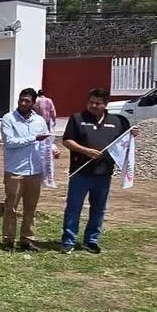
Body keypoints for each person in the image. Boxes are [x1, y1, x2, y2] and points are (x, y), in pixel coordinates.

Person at [60, 88, 131, 255]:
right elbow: (67, 141)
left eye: (97, 103)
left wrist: (132, 134)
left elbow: (124, 140)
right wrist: (86, 151)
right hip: (80, 172)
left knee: (98, 209)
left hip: (103, 174)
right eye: (91, 102)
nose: (93, 105)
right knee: (73, 208)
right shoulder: (77, 118)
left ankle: (91, 241)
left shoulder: (117, 121)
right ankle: (68, 241)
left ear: (105, 104)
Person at [0, 87, 52, 251]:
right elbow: (9, 142)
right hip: (15, 171)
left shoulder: (39, 120)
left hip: (35, 171)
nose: (23, 103)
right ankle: (8, 240)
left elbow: (46, 140)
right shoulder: (8, 118)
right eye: (21, 100)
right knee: (11, 207)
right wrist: (33, 138)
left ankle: (27, 239)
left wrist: (53, 149)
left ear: (33, 103)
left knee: (30, 207)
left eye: (27, 101)